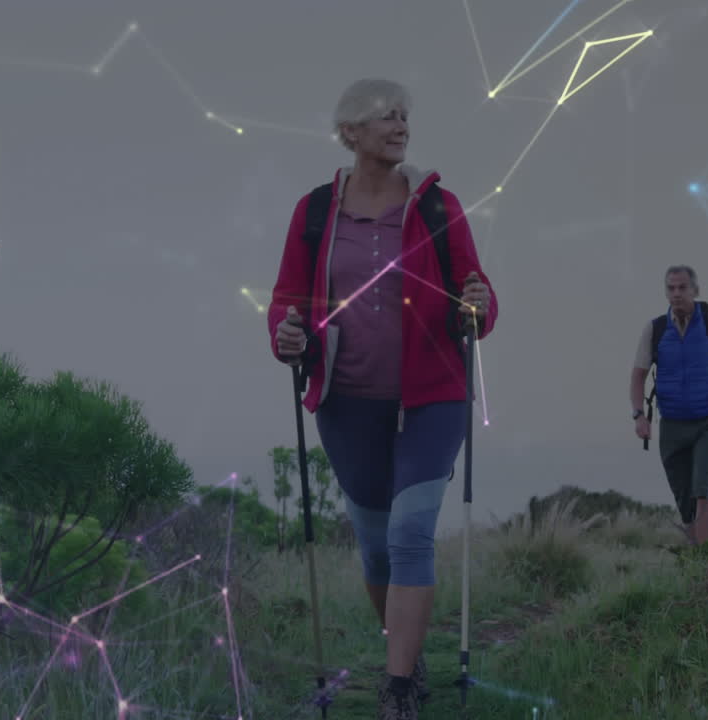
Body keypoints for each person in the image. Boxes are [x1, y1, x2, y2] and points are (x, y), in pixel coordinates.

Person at [268, 77, 497, 720]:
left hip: (434, 396)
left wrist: (480, 306)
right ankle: (407, 649)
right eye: (385, 117)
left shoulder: (437, 207)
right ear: (351, 133)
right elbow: (288, 299)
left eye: (404, 116)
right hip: (348, 400)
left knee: (410, 533)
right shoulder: (315, 212)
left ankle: (399, 689)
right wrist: (286, 335)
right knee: (374, 547)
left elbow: (478, 291)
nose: (400, 125)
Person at [628, 265, 708, 547]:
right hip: (672, 424)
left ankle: (707, 560)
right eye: (671, 288)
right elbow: (637, 377)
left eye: (683, 288)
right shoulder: (655, 329)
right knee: (685, 500)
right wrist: (639, 416)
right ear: (665, 292)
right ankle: (698, 557)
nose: (677, 293)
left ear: (695, 290)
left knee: (702, 488)